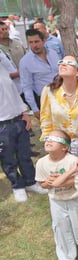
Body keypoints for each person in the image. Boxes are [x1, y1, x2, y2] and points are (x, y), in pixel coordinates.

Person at [36, 130, 78, 260]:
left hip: (75, 199)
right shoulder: (41, 163)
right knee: (60, 229)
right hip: (56, 201)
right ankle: (66, 259)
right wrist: (49, 183)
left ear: (65, 147)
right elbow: (42, 184)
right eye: (48, 138)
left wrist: (60, 181)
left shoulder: (73, 161)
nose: (49, 141)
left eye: (55, 139)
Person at [0, 64, 46, 202]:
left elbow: (13, 91)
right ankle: (17, 186)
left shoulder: (1, 67)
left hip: (18, 118)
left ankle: (30, 181)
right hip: (2, 124)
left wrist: (24, 112)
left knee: (24, 153)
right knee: (8, 158)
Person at [19, 29, 59, 118]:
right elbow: (27, 87)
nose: (34, 45)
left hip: (61, 95)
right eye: (31, 42)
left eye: (36, 41)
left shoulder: (53, 53)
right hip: (44, 99)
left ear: (43, 41)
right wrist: (35, 109)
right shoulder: (25, 62)